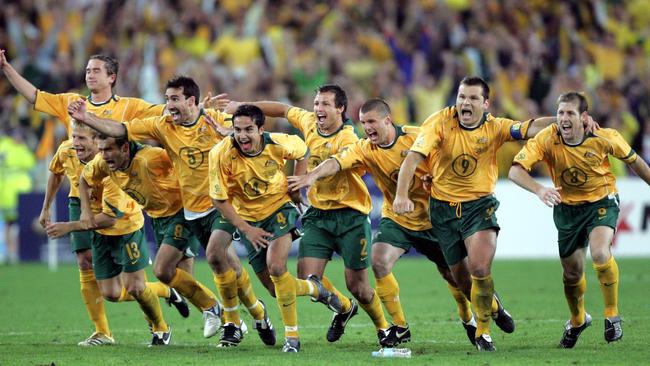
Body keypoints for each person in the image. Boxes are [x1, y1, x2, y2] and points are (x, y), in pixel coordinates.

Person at [67, 75, 272, 348]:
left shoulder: (214, 120)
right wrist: (88, 117)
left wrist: (233, 137)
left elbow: (251, 137)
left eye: (174, 99)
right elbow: (120, 129)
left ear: (191, 100)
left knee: (217, 257)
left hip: (222, 202)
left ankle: (233, 321)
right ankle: (255, 313)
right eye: (167, 99)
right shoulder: (162, 126)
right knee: (195, 267)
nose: (168, 105)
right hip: (190, 209)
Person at [288, 99, 477, 347]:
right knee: (378, 262)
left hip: (434, 219)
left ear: (387, 120)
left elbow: (447, 157)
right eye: (363, 122)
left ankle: (472, 317)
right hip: (396, 218)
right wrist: (310, 176)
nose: (366, 127)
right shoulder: (364, 147)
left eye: (371, 122)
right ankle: (397, 326)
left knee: (455, 276)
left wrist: (436, 178)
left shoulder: (416, 136)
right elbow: (337, 161)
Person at [393, 76, 557, 351]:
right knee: (461, 279)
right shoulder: (439, 122)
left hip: (479, 206)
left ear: (485, 103)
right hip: (442, 210)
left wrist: (566, 118)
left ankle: (483, 332)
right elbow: (413, 158)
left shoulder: (495, 127)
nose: (464, 103)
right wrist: (401, 194)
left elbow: (530, 128)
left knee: (480, 268)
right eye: (461, 97)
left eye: (471, 98)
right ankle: (493, 305)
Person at [227, 84, 390, 344]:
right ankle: (344, 308)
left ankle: (383, 328)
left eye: (325, 104)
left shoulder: (349, 138)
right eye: (316, 103)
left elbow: (333, 164)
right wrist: (243, 106)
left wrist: (308, 176)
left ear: (340, 109)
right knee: (306, 277)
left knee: (358, 286)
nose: (318, 109)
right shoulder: (309, 121)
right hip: (318, 215)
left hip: (350, 215)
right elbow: (282, 109)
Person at [508, 91, 650, 348]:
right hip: (567, 209)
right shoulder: (547, 138)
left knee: (599, 252)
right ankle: (577, 319)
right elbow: (515, 171)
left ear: (583, 117)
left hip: (601, 202)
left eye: (570, 113)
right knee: (571, 274)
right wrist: (540, 190)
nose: (563, 118)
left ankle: (612, 315)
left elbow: (636, 162)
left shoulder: (604, 137)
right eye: (560, 112)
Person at [210, 104, 337, 352]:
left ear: (261, 128)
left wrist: (296, 185)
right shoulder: (221, 153)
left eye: (248, 129)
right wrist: (246, 229)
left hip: (279, 209)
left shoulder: (279, 143)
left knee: (277, 267)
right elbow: (218, 199)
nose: (242, 135)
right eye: (237, 130)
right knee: (273, 288)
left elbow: (304, 151)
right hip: (247, 216)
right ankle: (316, 289)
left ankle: (292, 338)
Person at [83, 132, 224, 338]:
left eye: (108, 149)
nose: (103, 155)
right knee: (179, 278)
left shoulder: (151, 157)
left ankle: (218, 310)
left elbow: (183, 159)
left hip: (182, 212)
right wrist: (86, 211)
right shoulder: (103, 163)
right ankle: (230, 319)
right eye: (101, 149)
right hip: (158, 218)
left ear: (124, 148)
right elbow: (83, 179)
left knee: (162, 269)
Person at [44, 122, 172, 346]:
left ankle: (161, 325)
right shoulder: (66, 151)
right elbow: (59, 173)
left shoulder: (113, 169)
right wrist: (48, 209)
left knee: (135, 286)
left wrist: (69, 226)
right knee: (108, 290)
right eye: (74, 137)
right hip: (89, 215)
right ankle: (103, 332)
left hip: (124, 224)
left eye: (82, 139)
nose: (76, 143)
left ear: (98, 142)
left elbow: (110, 217)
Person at [0, 50, 165, 136]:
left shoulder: (130, 105)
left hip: (115, 196)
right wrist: (7, 68)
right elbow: (35, 96)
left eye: (96, 71)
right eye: (87, 71)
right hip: (79, 194)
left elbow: (164, 111)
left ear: (111, 77)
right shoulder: (71, 101)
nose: (90, 75)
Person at [0, 128, 35, 264]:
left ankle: (12, 252)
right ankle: (8, 252)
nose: (18, 138)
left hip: (20, 194)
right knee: (9, 224)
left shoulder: (14, 148)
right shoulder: (7, 147)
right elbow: (29, 163)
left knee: (14, 224)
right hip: (8, 194)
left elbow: (30, 163)